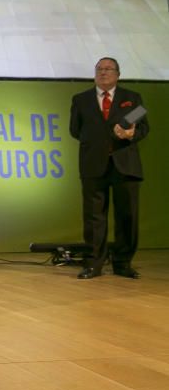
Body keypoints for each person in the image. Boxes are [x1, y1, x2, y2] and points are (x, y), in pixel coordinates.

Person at [69, 57, 148, 280]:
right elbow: (75, 130)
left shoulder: (132, 99)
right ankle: (94, 264)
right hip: (93, 165)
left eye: (108, 69)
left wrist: (132, 134)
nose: (103, 72)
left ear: (118, 74)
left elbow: (143, 127)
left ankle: (123, 263)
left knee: (127, 216)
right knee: (94, 217)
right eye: (99, 69)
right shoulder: (81, 99)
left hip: (126, 165)